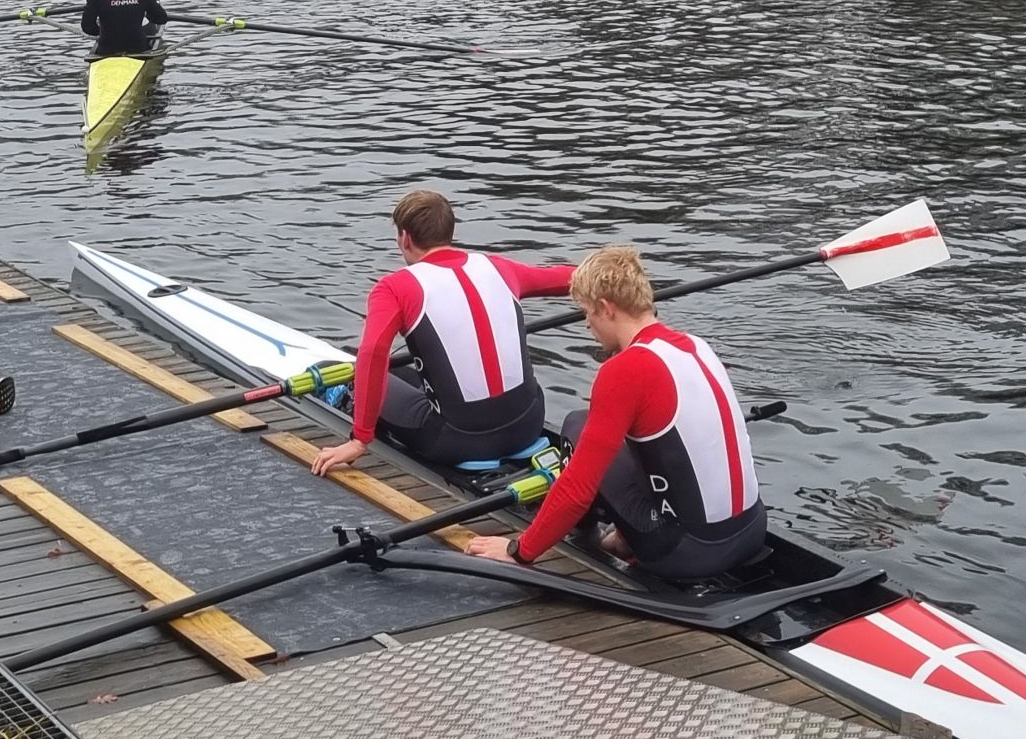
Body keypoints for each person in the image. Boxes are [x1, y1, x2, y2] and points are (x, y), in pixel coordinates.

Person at [466, 246, 766, 582]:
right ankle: (624, 536)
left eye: (587, 313)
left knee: (576, 425)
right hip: (752, 529)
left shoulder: (624, 369)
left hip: (686, 553)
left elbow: (578, 486)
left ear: (606, 309)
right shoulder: (696, 345)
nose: (587, 325)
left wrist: (519, 551)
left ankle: (591, 534)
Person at [310, 191, 574, 475]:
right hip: (528, 424)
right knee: (403, 374)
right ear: (450, 231)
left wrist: (360, 440)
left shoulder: (395, 287)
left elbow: (373, 353)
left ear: (404, 238)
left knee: (354, 370)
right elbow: (573, 278)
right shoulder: (498, 268)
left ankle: (345, 396)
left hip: (455, 441)